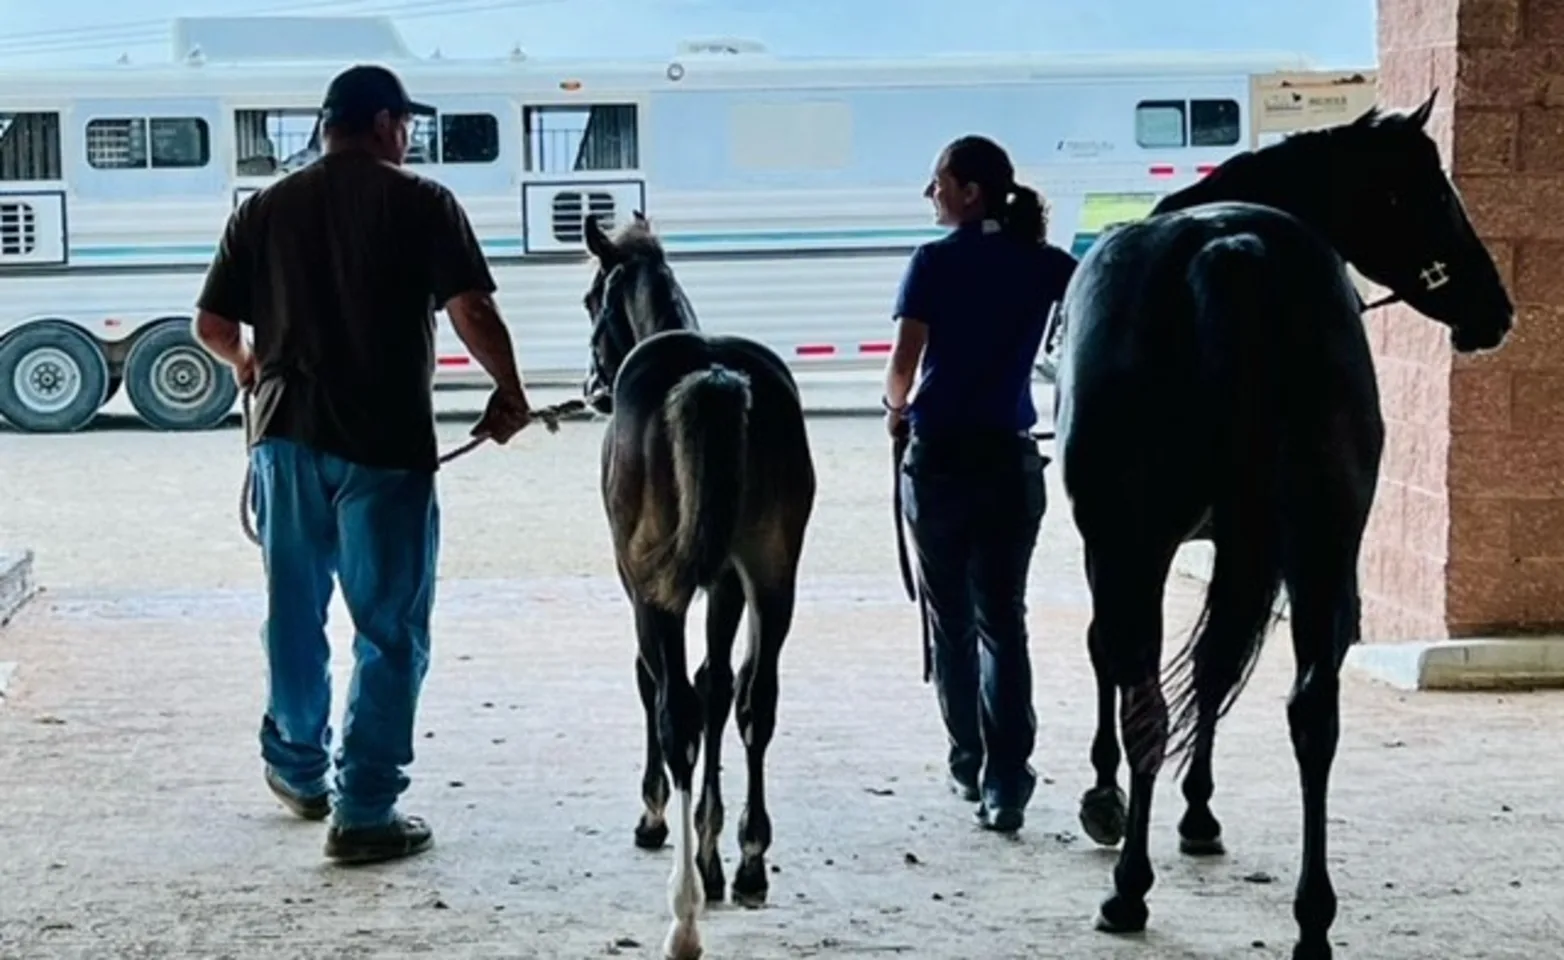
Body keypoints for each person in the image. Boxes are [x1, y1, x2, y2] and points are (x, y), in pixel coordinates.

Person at [192, 63, 538, 864]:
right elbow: (473, 309)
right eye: (407, 125)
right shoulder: (421, 201)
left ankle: (298, 768)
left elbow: (210, 323)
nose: (408, 138)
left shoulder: (265, 209)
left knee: (294, 613)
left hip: (284, 441)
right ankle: (367, 810)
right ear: (384, 122)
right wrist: (510, 393)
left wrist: (249, 365)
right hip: (384, 447)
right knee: (388, 629)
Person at [882, 134, 1078, 834]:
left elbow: (903, 368)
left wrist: (895, 410)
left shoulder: (932, 262)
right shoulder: (1051, 264)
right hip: (1008, 462)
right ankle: (1006, 781)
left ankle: (968, 759)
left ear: (970, 191)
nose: (930, 192)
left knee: (952, 621)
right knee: (1005, 623)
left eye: (939, 180)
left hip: (937, 463)